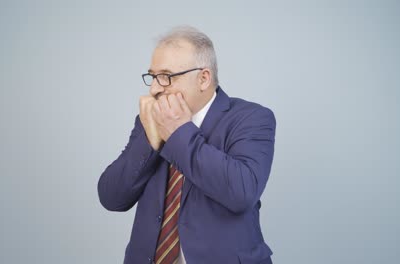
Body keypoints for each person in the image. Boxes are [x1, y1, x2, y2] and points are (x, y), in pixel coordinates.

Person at [98, 26, 276, 264]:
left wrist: (178, 133)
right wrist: (150, 141)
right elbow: (112, 198)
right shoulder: (149, 120)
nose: (154, 89)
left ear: (203, 78)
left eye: (167, 76)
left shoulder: (252, 118)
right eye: (152, 76)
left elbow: (241, 192)